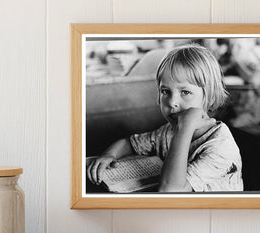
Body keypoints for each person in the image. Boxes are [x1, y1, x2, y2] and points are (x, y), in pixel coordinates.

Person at [87, 43, 243, 192]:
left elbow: (170, 192)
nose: (172, 102)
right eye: (165, 92)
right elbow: (130, 143)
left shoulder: (220, 147)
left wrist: (185, 129)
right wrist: (110, 154)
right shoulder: (166, 132)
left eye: (185, 92)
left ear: (210, 98)